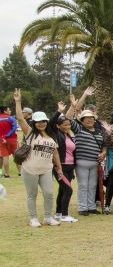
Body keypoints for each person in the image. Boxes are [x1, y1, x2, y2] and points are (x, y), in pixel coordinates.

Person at [13, 89, 63, 227]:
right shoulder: (30, 133)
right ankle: (33, 218)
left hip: (46, 169)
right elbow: (20, 118)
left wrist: (59, 167)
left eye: (44, 121)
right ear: (34, 123)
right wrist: (18, 102)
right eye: (38, 122)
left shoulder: (51, 135)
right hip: (30, 169)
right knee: (32, 194)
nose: (41, 124)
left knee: (48, 193)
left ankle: (48, 217)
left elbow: (55, 153)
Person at [67, 108, 107, 216]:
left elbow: (104, 145)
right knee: (83, 185)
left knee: (93, 185)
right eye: (86, 118)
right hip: (82, 161)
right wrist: (73, 105)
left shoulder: (99, 132)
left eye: (91, 118)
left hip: (95, 163)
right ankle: (82, 207)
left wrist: (104, 153)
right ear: (82, 120)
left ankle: (91, 206)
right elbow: (68, 118)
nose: (89, 120)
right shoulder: (78, 129)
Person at [47, 103, 77, 223]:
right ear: (58, 126)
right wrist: (59, 111)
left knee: (62, 190)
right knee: (68, 190)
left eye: (69, 124)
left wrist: (73, 169)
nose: (68, 126)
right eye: (65, 124)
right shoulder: (56, 134)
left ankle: (59, 213)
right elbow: (50, 124)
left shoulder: (69, 136)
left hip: (70, 167)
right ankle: (65, 215)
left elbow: (71, 153)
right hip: (60, 167)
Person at [0, 105, 19, 178]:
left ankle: (7, 175)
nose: (10, 111)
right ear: (5, 111)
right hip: (12, 139)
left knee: (5, 157)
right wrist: (7, 135)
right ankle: (20, 173)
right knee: (16, 156)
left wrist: (2, 137)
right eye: (9, 110)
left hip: (1, 140)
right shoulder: (11, 118)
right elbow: (14, 128)